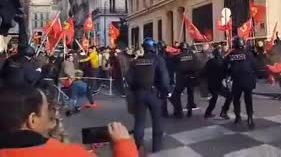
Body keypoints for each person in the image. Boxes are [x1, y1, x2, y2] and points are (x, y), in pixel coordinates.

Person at [0, 85, 138, 157]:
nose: (51, 114)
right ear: (33, 120)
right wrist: (124, 145)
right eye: (47, 109)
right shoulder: (71, 154)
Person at [126, 38, 170, 153]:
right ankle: (157, 149)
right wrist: (165, 91)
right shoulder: (158, 59)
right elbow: (165, 77)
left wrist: (136, 89)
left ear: (143, 47)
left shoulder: (136, 61)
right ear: (154, 47)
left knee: (139, 122)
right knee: (157, 121)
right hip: (154, 94)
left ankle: (138, 146)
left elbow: (129, 78)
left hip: (139, 94)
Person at [224, 37, 257, 129]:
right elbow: (255, 65)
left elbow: (225, 65)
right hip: (248, 80)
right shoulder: (248, 53)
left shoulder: (231, 54)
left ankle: (238, 117)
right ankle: (250, 118)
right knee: (248, 100)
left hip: (237, 80)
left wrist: (229, 74)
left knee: (236, 99)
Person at [172, 42, 199, 118]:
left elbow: (173, 63)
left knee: (177, 94)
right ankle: (189, 112)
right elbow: (197, 64)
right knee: (190, 94)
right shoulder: (193, 55)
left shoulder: (178, 56)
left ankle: (178, 112)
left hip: (181, 77)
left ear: (180, 48)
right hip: (191, 77)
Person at [203, 46, 231, 119]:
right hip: (219, 83)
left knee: (214, 98)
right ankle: (224, 111)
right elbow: (227, 72)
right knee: (229, 96)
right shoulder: (224, 61)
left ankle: (208, 113)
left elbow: (204, 72)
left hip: (211, 83)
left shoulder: (210, 62)